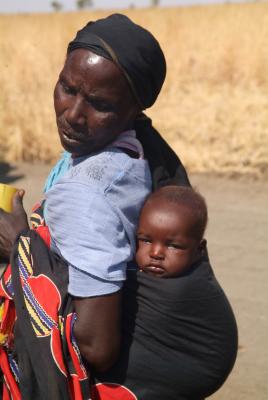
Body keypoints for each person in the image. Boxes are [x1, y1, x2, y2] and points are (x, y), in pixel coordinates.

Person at [0, 13, 191, 400]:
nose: (73, 114)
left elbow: (97, 347)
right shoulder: (127, 149)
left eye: (99, 103)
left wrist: (20, 245)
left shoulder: (89, 193)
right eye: (67, 88)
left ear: (134, 109)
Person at [95, 186, 238, 400]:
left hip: (187, 370)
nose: (156, 253)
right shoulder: (178, 270)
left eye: (173, 246)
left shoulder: (183, 290)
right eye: (146, 240)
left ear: (200, 249)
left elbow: (102, 285)